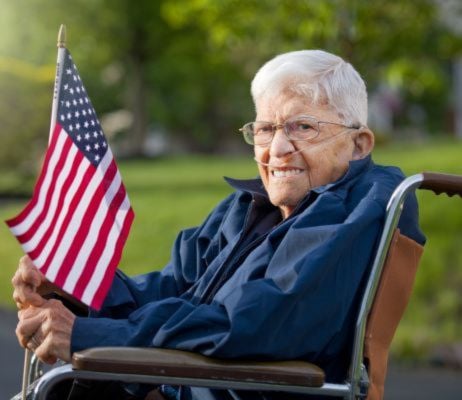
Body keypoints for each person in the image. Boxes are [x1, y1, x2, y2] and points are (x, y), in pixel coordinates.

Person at [13, 49, 425, 399]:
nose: (277, 149)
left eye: (303, 127)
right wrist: (77, 286)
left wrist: (90, 337)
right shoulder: (251, 206)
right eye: (265, 129)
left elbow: (257, 322)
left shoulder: (363, 207)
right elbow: (172, 290)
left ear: (359, 144)